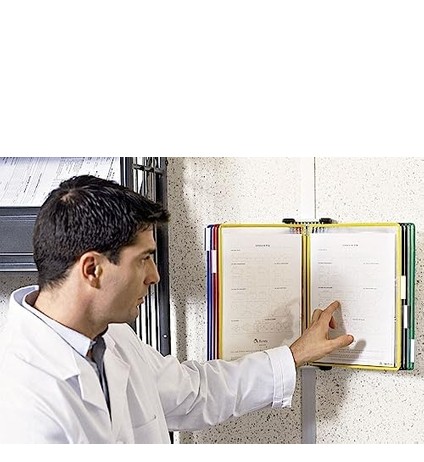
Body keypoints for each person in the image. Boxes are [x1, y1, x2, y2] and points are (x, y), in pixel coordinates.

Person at [0, 175, 354, 443]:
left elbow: (193, 393)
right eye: (144, 259)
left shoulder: (111, 337)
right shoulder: (22, 401)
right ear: (92, 269)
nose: (154, 276)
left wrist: (294, 355)